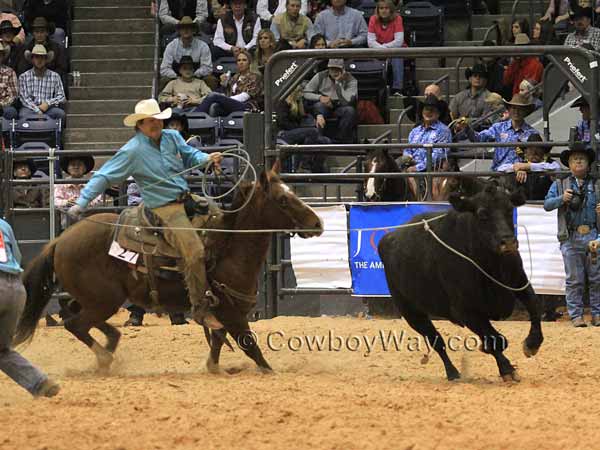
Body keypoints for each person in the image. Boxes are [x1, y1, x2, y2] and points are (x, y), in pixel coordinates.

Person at [67, 98, 224, 330]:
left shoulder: (172, 137)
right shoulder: (133, 150)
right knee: (194, 251)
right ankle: (200, 308)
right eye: (148, 121)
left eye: (157, 119)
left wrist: (207, 160)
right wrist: (81, 203)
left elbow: (191, 155)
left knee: (221, 219)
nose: (154, 124)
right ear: (139, 125)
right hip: (163, 208)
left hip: (186, 199)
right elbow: (105, 176)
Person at [0, 218, 60, 397]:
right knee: (2, 350)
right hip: (16, 290)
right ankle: (39, 383)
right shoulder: (4, 224)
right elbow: (17, 257)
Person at [544, 143, 600, 327]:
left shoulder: (597, 184)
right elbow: (547, 205)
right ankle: (576, 315)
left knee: (596, 278)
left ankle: (597, 314)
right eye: (574, 158)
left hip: (593, 234)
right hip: (570, 235)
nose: (578, 161)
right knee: (574, 279)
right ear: (569, 164)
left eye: (582, 158)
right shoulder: (559, 184)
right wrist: (562, 199)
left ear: (588, 164)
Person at [461, 93, 537, 171]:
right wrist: (467, 128)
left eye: (520, 109)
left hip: (520, 174)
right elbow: (478, 138)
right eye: (514, 108)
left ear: (525, 111)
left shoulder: (532, 133)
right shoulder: (498, 127)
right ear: (509, 110)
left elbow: (535, 158)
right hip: (498, 172)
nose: (516, 112)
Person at [276, 85, 331, 172]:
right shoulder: (283, 103)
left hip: (297, 132)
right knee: (312, 132)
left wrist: (319, 115)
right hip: (284, 133)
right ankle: (304, 165)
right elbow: (283, 122)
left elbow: (312, 109)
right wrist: (301, 130)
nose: (302, 94)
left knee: (325, 141)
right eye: (300, 92)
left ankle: (317, 170)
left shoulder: (300, 102)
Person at [303, 58, 358, 144]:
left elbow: (348, 101)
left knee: (350, 111)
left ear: (343, 69)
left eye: (337, 69)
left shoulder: (351, 80)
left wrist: (338, 83)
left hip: (341, 106)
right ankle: (318, 140)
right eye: (332, 69)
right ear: (328, 69)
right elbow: (306, 93)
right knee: (319, 107)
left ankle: (340, 141)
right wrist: (320, 97)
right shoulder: (320, 76)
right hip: (323, 105)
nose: (335, 72)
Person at [194, 49, 262, 116]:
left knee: (213, 96)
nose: (241, 62)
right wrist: (223, 84)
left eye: (244, 60)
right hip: (233, 105)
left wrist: (223, 98)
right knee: (214, 107)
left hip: (247, 106)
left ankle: (193, 117)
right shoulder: (235, 77)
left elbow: (244, 97)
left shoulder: (254, 77)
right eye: (239, 60)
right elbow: (225, 93)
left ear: (249, 63)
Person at [159, 16, 215, 89]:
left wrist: (192, 75)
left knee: (211, 80)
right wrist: (177, 76)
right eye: (183, 28)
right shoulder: (171, 46)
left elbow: (208, 68)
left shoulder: (203, 46)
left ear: (194, 30)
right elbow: (164, 68)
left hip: (197, 77)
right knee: (164, 80)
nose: (186, 30)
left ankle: (210, 99)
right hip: (176, 78)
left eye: (189, 27)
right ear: (179, 31)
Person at [501, 133, 560, 200]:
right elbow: (501, 168)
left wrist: (528, 166)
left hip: (545, 205)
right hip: (525, 207)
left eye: (538, 148)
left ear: (543, 151)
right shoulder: (521, 165)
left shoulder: (550, 164)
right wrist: (516, 168)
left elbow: (557, 168)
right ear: (526, 151)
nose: (534, 152)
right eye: (530, 148)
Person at [404, 94, 452, 173]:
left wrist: (417, 167)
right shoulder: (415, 131)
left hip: (432, 169)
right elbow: (408, 149)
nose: (428, 112)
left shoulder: (444, 130)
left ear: (438, 113)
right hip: (410, 165)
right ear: (422, 112)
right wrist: (407, 158)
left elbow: (438, 155)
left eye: (432, 110)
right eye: (426, 109)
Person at [18, 44, 65, 120]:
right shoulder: (24, 76)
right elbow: (24, 98)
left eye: (42, 57)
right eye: (36, 57)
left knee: (60, 114)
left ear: (46, 60)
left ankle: (57, 132)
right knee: (23, 115)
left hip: (48, 109)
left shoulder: (55, 76)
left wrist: (48, 103)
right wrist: (37, 110)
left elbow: (62, 97)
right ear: (32, 59)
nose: (39, 60)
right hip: (30, 108)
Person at [54, 155, 103, 228]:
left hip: (89, 222)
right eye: (73, 164)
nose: (76, 167)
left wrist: (83, 202)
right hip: (67, 224)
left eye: (79, 165)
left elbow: (99, 201)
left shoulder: (92, 184)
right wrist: (67, 202)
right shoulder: (60, 185)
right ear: (68, 168)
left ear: (85, 168)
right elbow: (55, 201)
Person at [367, 0, 405, 94]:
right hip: (377, 50)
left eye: (386, 8)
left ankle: (398, 88)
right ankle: (374, 89)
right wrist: (381, 49)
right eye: (381, 8)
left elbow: (399, 41)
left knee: (397, 55)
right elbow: (370, 42)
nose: (384, 11)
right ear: (378, 10)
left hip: (394, 50)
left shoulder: (398, 18)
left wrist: (383, 47)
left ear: (391, 10)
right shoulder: (373, 19)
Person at [0, 41, 18, 119]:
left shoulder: (10, 72)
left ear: (2, 57)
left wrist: (1, 104)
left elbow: (13, 96)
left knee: (11, 111)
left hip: (3, 106)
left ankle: (6, 131)